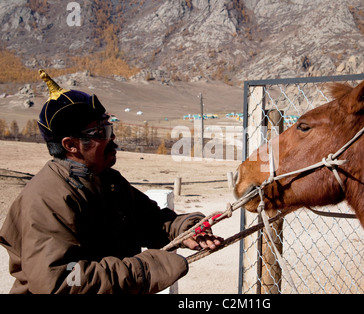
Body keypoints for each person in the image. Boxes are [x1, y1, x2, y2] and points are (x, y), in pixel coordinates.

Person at [0, 70, 223, 294]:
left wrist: (186, 229)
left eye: (110, 127)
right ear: (71, 145)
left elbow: (151, 220)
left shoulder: (106, 180)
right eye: (101, 131)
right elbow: (63, 278)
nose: (112, 137)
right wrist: (144, 270)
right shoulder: (46, 199)